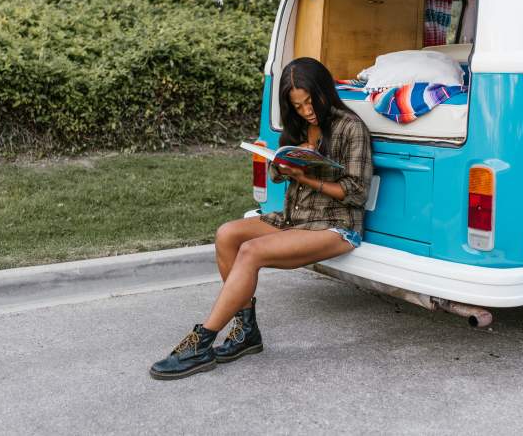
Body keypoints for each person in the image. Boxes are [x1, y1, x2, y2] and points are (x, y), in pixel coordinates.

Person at [150, 57, 373, 380]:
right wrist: (276, 163)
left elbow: (356, 192)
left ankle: (201, 343)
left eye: (311, 101)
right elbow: (281, 174)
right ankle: (246, 333)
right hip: (293, 218)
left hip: (335, 225)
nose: (307, 111)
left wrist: (306, 177)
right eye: (298, 106)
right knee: (227, 233)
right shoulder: (298, 127)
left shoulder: (349, 127)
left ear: (325, 91)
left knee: (251, 251)